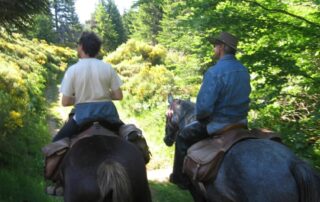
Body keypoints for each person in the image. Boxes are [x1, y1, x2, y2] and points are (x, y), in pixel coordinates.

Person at [169, 32, 251, 189]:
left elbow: (204, 109)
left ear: (221, 48)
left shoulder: (214, 72)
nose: (214, 48)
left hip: (219, 124)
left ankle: (180, 179)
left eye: (215, 45)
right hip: (240, 124)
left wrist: (201, 116)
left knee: (182, 137)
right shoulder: (243, 71)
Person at [52, 31, 124, 142]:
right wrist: (102, 95)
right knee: (130, 135)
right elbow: (118, 96)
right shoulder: (108, 68)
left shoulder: (73, 70)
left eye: (77, 46)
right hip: (109, 115)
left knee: (55, 144)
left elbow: (65, 102)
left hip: (82, 117)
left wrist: (83, 97)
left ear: (81, 46)